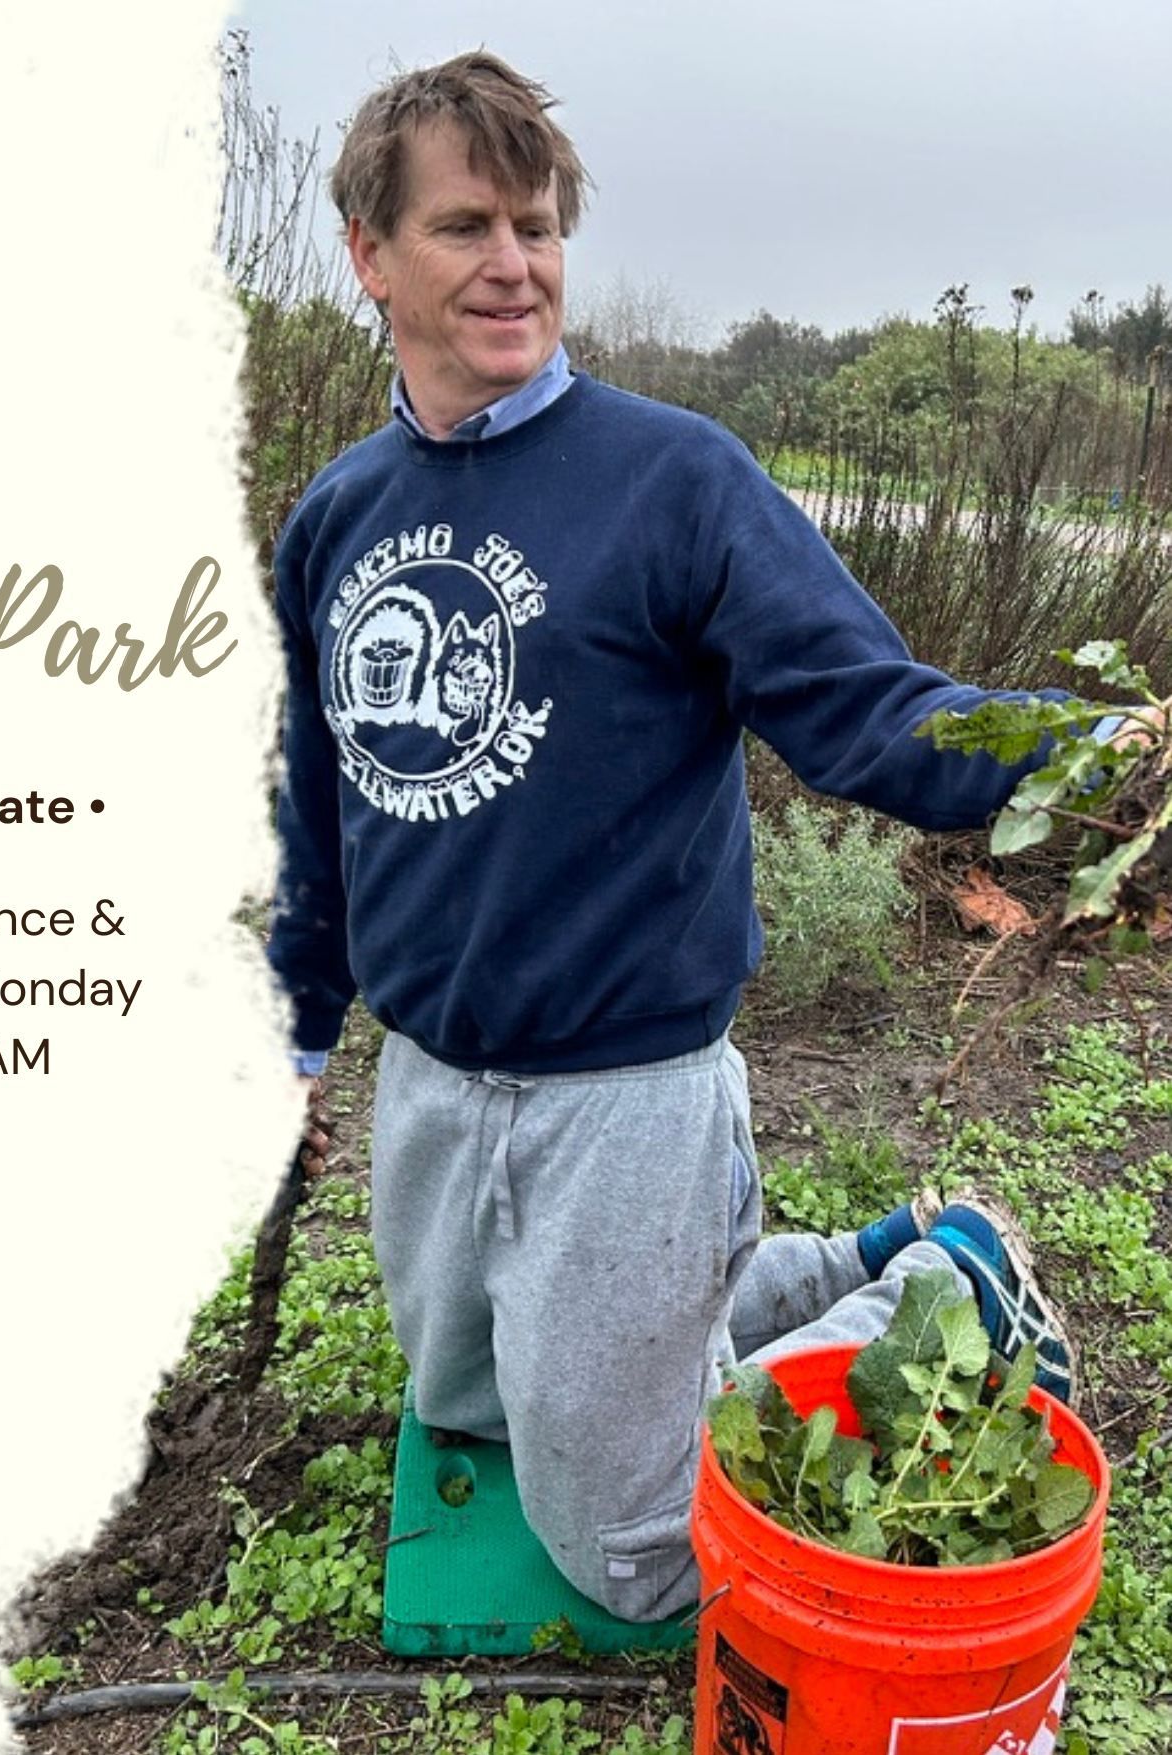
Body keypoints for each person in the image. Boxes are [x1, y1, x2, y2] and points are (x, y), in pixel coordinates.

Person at [265, 51, 1093, 1624]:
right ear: (371, 256)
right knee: (473, 1405)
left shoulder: (674, 481)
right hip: (433, 1077)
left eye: (539, 223)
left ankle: (947, 1289)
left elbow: (873, 713)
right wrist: (299, 1031)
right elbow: (320, 790)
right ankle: (850, 1255)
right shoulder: (338, 514)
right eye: (464, 228)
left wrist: (1100, 756)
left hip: (624, 1091)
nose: (516, 264)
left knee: (639, 1553)